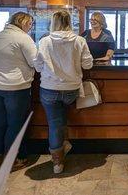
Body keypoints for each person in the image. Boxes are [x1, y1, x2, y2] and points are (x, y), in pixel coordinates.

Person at [34, 10, 94, 174]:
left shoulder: (45, 41)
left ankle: (57, 162)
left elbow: (38, 66)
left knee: (55, 123)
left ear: (53, 22)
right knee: (60, 120)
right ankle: (64, 144)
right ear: (70, 22)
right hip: (71, 90)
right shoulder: (79, 40)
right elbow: (88, 64)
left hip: (49, 88)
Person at [0, 12, 37, 173]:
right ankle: (12, 161)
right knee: (15, 124)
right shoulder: (23, 38)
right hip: (16, 86)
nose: (30, 27)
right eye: (29, 24)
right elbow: (35, 61)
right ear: (22, 22)